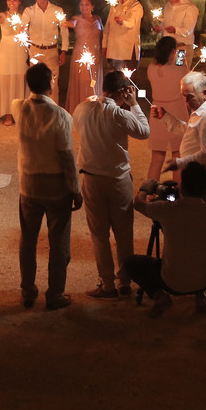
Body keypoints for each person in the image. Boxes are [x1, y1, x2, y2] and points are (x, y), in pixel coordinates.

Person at [72, 70, 150, 299]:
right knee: (123, 233)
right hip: (118, 180)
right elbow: (144, 132)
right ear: (123, 92)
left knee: (99, 234)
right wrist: (134, 105)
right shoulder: (120, 114)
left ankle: (107, 284)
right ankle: (124, 281)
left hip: (92, 179)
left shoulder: (82, 108)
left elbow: (77, 127)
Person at [16, 62, 82, 310]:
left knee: (28, 240)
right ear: (50, 85)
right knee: (59, 242)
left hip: (29, 185)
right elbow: (67, 157)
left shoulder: (19, 108)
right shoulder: (61, 116)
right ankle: (54, 294)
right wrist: (75, 189)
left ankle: (28, 290)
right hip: (55, 187)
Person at [153, 70, 206, 280]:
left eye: (190, 97)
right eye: (184, 96)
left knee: (202, 223)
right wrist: (166, 117)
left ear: (205, 93)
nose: (186, 102)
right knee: (201, 222)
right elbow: (190, 132)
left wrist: (179, 162)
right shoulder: (201, 110)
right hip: (200, 176)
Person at [124, 161, 206, 317]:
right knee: (197, 255)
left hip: (171, 283)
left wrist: (144, 189)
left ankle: (160, 297)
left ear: (182, 186)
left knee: (130, 263)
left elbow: (138, 204)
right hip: (203, 281)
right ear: (205, 189)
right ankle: (200, 297)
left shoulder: (168, 210)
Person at [145, 36, 189, 184]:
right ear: (172, 52)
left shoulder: (151, 69)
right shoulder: (179, 69)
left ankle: (150, 192)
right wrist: (181, 49)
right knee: (177, 157)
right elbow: (185, 69)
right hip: (176, 112)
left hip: (157, 113)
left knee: (156, 159)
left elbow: (162, 62)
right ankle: (178, 191)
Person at [21, 0, 71, 104]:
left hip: (51, 51)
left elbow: (64, 31)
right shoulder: (29, 11)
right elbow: (23, 27)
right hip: (35, 50)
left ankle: (52, 109)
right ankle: (36, 109)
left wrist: (64, 51)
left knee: (52, 82)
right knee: (35, 82)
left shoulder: (57, 10)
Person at [0, 0, 28, 125]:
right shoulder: (3, 15)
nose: (11, 2)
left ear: (19, 2)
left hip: (20, 52)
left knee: (19, 80)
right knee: (6, 81)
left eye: (14, 0)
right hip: (6, 53)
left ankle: (19, 113)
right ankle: (8, 114)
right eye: (9, 0)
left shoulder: (24, 16)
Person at [64, 0, 104, 114]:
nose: (84, 7)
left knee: (93, 81)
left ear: (92, 6)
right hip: (81, 55)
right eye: (81, 4)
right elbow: (69, 24)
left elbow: (103, 35)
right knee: (83, 81)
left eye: (87, 4)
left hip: (95, 55)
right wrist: (63, 22)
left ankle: (94, 110)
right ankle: (81, 110)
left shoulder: (98, 19)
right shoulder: (76, 19)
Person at [103, 0, 143, 72]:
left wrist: (122, 22)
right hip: (113, 50)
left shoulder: (136, 6)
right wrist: (104, 45)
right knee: (113, 77)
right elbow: (108, 25)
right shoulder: (115, 3)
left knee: (127, 77)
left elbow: (131, 23)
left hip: (127, 51)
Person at [158, 0, 199, 65]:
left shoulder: (189, 8)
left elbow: (188, 30)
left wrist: (175, 30)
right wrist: (160, 27)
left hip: (181, 48)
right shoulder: (168, 6)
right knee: (167, 72)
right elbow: (166, 23)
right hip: (168, 49)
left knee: (179, 71)